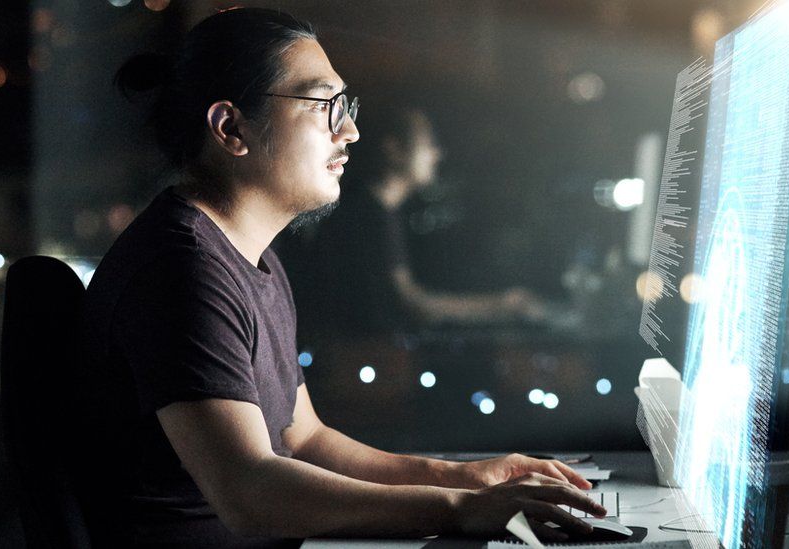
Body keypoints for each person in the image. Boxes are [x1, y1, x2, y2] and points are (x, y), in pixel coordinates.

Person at [74, 8, 605, 548]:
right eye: (325, 105)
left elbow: (304, 439)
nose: (349, 130)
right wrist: (462, 509)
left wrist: (459, 478)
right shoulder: (180, 271)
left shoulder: (252, 258)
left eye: (345, 106)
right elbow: (250, 492)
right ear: (231, 128)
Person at [313, 105, 548, 337]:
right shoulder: (369, 215)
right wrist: (503, 306)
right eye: (427, 144)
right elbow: (412, 304)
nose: (436, 154)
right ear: (394, 149)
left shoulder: (381, 211)